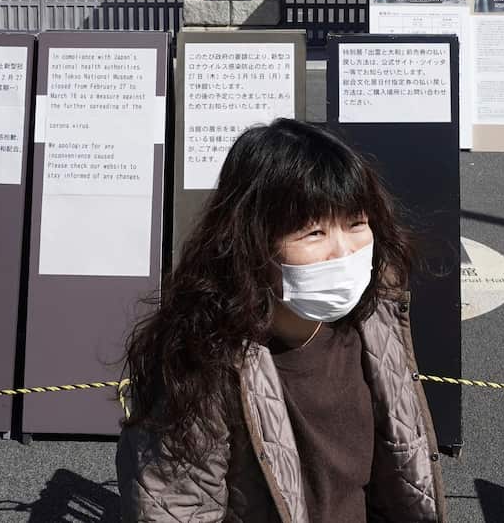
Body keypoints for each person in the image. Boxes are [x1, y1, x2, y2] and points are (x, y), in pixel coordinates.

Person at [118, 118, 446, 522]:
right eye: (313, 233)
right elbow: (176, 508)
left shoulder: (377, 318)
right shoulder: (200, 360)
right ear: (253, 243)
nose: (343, 251)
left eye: (356, 223)